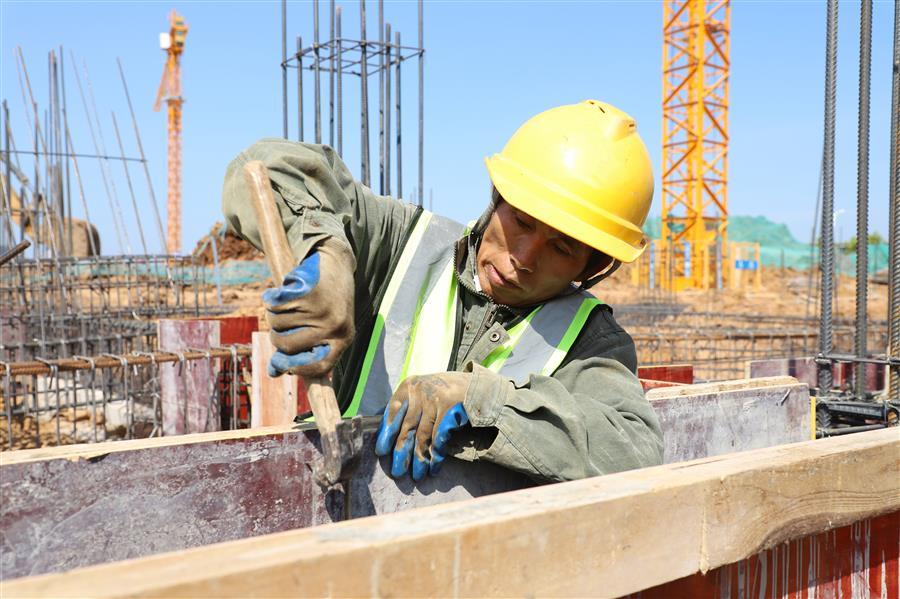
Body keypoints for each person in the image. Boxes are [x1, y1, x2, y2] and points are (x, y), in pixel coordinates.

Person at [222, 100, 663, 484]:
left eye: (562, 248)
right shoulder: (398, 242)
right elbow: (264, 166)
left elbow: (634, 451)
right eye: (521, 222)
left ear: (593, 267)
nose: (523, 257)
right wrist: (327, 252)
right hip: (344, 521)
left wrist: (481, 399)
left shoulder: (591, 342)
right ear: (497, 199)